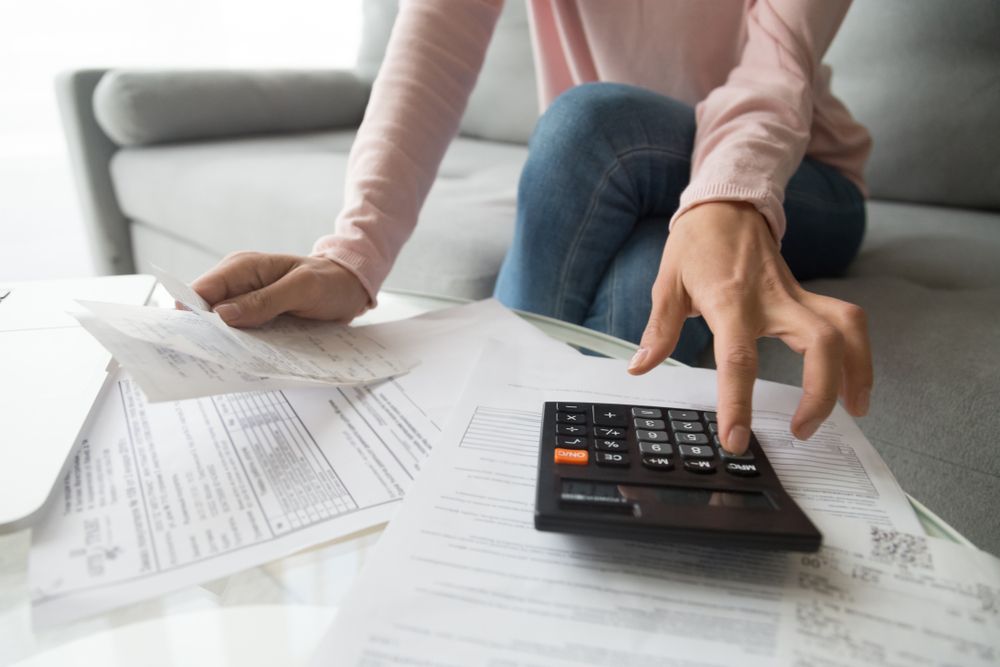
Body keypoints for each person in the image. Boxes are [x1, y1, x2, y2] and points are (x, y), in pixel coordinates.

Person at [191, 0, 874, 456]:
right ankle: (535, 479)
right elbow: (431, 50)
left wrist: (726, 203)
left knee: (588, 122)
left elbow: (776, 63)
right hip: (621, 183)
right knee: (645, 274)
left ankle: (479, 453)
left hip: (797, 175)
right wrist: (352, 257)